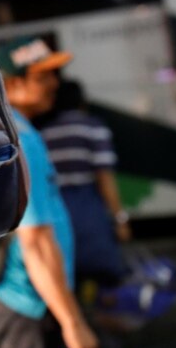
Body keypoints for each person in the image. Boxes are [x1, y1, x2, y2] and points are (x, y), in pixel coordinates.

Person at [0, 36, 99, 348]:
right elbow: (36, 241)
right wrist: (73, 322)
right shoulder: (19, 139)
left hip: (30, 304)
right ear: (13, 83)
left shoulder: (20, 131)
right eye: (43, 75)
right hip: (24, 307)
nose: (54, 83)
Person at [38, 79, 130, 283]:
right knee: (106, 274)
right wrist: (119, 219)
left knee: (70, 272)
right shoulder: (93, 128)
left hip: (59, 209)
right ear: (82, 101)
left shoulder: (45, 133)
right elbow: (105, 178)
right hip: (89, 209)